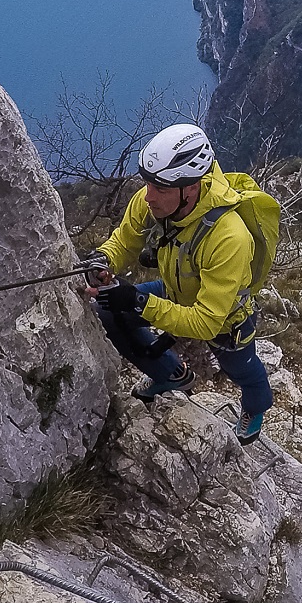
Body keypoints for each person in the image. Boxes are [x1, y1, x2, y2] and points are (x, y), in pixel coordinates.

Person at [85, 123, 274, 444]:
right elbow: (125, 241)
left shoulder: (230, 236)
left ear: (191, 187)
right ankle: (171, 376)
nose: (148, 195)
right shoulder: (156, 200)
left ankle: (256, 407)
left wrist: (138, 301)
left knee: (241, 370)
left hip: (226, 318)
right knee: (108, 314)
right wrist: (103, 260)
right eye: (147, 184)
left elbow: (205, 323)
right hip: (176, 291)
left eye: (160, 187)